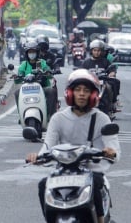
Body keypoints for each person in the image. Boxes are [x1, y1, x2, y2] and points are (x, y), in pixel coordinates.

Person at [26, 69, 120, 223]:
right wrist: (37, 157)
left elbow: (114, 148)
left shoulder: (102, 119)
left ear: (94, 95)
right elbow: (48, 145)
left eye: (86, 90)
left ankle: (101, 220)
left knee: (95, 181)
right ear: (70, 93)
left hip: (91, 171)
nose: (82, 94)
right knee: (43, 184)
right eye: (78, 90)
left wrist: (110, 152)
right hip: (63, 173)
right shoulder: (58, 118)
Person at [16, 41, 57, 118]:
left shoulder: (41, 63)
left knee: (51, 91)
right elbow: (18, 77)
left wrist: (48, 72)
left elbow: (47, 69)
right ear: (27, 54)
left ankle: (50, 115)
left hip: (42, 88)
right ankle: (21, 115)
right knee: (17, 93)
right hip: (27, 89)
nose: (31, 54)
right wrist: (18, 76)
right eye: (30, 52)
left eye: (33, 52)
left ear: (37, 53)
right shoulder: (24, 65)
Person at [81, 39, 120, 106]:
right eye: (95, 50)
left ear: (102, 52)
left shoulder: (105, 61)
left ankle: (113, 102)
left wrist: (112, 73)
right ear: (91, 51)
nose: (96, 52)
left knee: (112, 85)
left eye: (98, 51)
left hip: (103, 81)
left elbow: (112, 69)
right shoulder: (86, 62)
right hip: (90, 82)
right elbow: (81, 72)